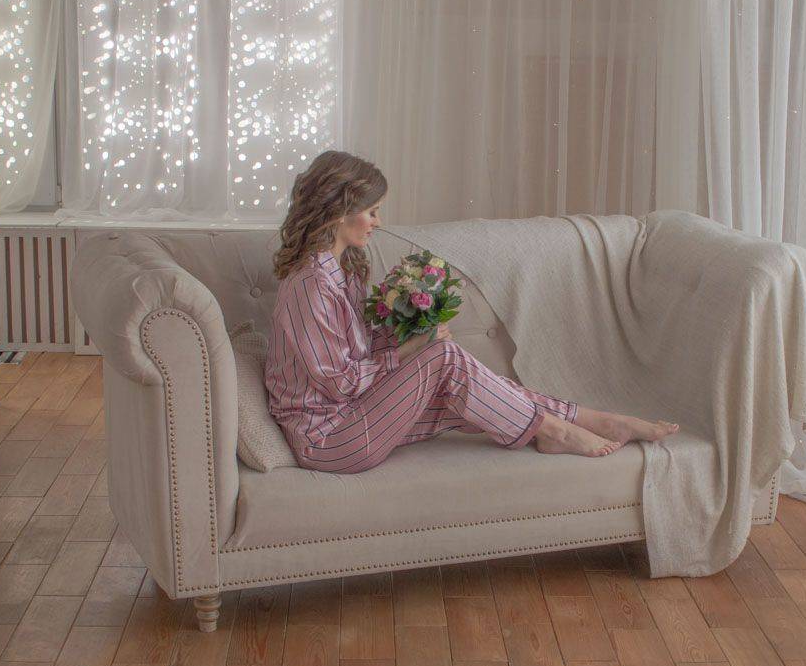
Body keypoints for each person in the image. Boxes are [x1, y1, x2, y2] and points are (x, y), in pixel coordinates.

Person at [265, 150, 678, 473]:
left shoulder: (342, 270)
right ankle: (556, 430)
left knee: (473, 386)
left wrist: (406, 333)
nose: (378, 221)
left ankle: (591, 420)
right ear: (339, 212)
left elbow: (354, 353)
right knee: (444, 358)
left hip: (356, 413)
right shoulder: (310, 286)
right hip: (330, 438)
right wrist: (411, 351)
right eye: (371, 211)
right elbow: (339, 383)